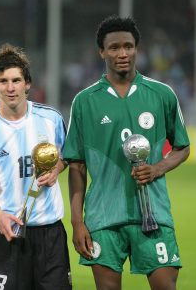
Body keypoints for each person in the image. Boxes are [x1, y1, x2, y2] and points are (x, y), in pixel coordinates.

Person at [63, 15, 190, 290]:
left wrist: (157, 168)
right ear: (102, 52)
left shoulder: (162, 94)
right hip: (103, 219)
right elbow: (77, 166)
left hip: (155, 215)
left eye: (129, 46)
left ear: (137, 49)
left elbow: (182, 148)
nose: (123, 53)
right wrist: (77, 222)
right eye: (114, 47)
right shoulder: (84, 102)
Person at [0, 43, 72, 290]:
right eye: (3, 81)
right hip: (8, 232)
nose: (10, 87)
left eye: (16, 80)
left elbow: (67, 155)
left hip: (50, 234)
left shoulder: (51, 119)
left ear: (27, 83)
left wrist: (57, 169)